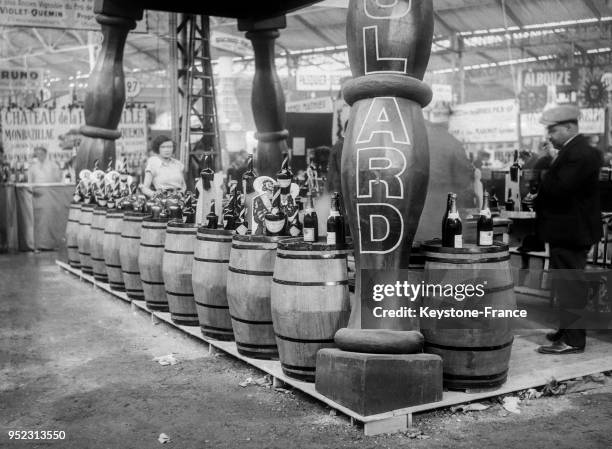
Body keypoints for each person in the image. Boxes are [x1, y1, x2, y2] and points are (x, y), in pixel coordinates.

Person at [535, 104, 603, 355]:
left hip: (572, 232)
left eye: (552, 130)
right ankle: (566, 330)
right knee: (564, 283)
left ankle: (573, 340)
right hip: (567, 230)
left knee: (570, 284)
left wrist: (549, 169)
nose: (549, 136)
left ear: (569, 127)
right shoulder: (575, 151)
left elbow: (559, 189)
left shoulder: (581, 154)